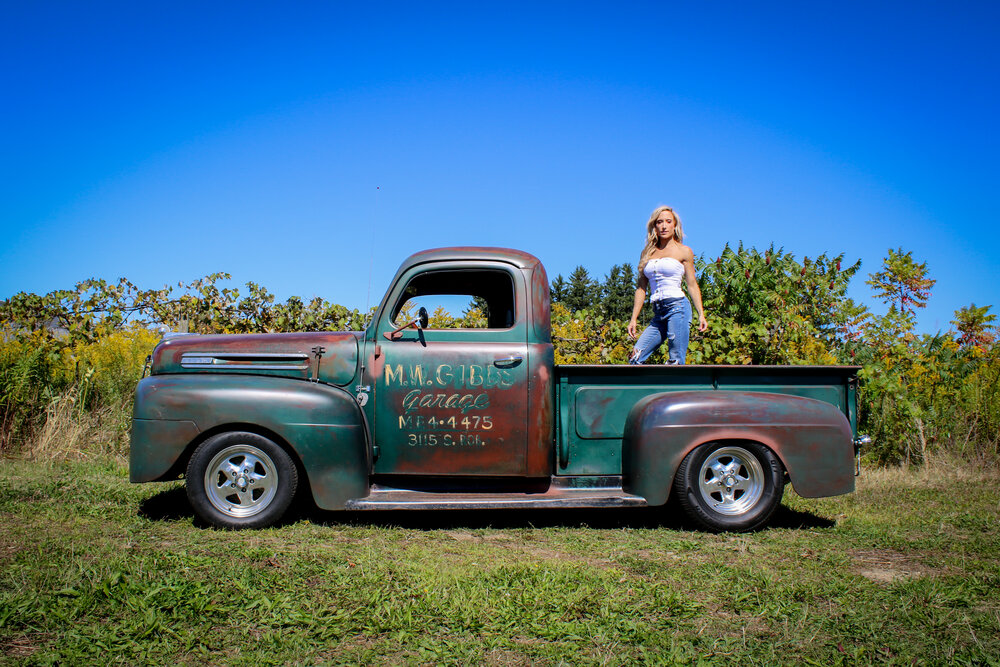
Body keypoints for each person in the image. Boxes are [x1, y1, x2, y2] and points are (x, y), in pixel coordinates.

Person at [627, 205, 708, 365]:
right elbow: (641, 288)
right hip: (658, 313)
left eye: (668, 221)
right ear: (654, 226)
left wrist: (701, 313)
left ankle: (678, 390)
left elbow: (692, 284)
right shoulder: (647, 253)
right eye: (659, 222)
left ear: (674, 225)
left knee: (675, 361)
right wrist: (633, 318)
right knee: (635, 358)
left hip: (677, 308)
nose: (664, 226)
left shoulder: (684, 251)